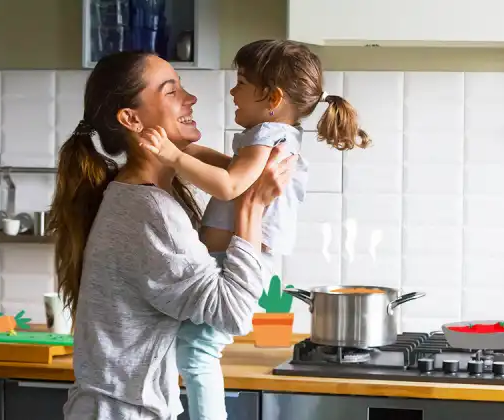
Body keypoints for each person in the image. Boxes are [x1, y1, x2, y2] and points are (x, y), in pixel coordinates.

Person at [49, 50, 297, 420]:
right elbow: (233, 314)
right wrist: (252, 206)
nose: (190, 98)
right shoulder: (150, 210)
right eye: (171, 91)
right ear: (132, 119)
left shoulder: (143, 196)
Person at [139, 39, 371, 420]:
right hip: (230, 260)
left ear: (272, 98)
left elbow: (230, 186)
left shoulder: (269, 135)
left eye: (242, 82)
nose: (233, 90)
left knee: (197, 353)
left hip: (238, 263)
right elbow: (234, 170)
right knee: (193, 348)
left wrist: (173, 155)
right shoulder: (273, 135)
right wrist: (186, 149)